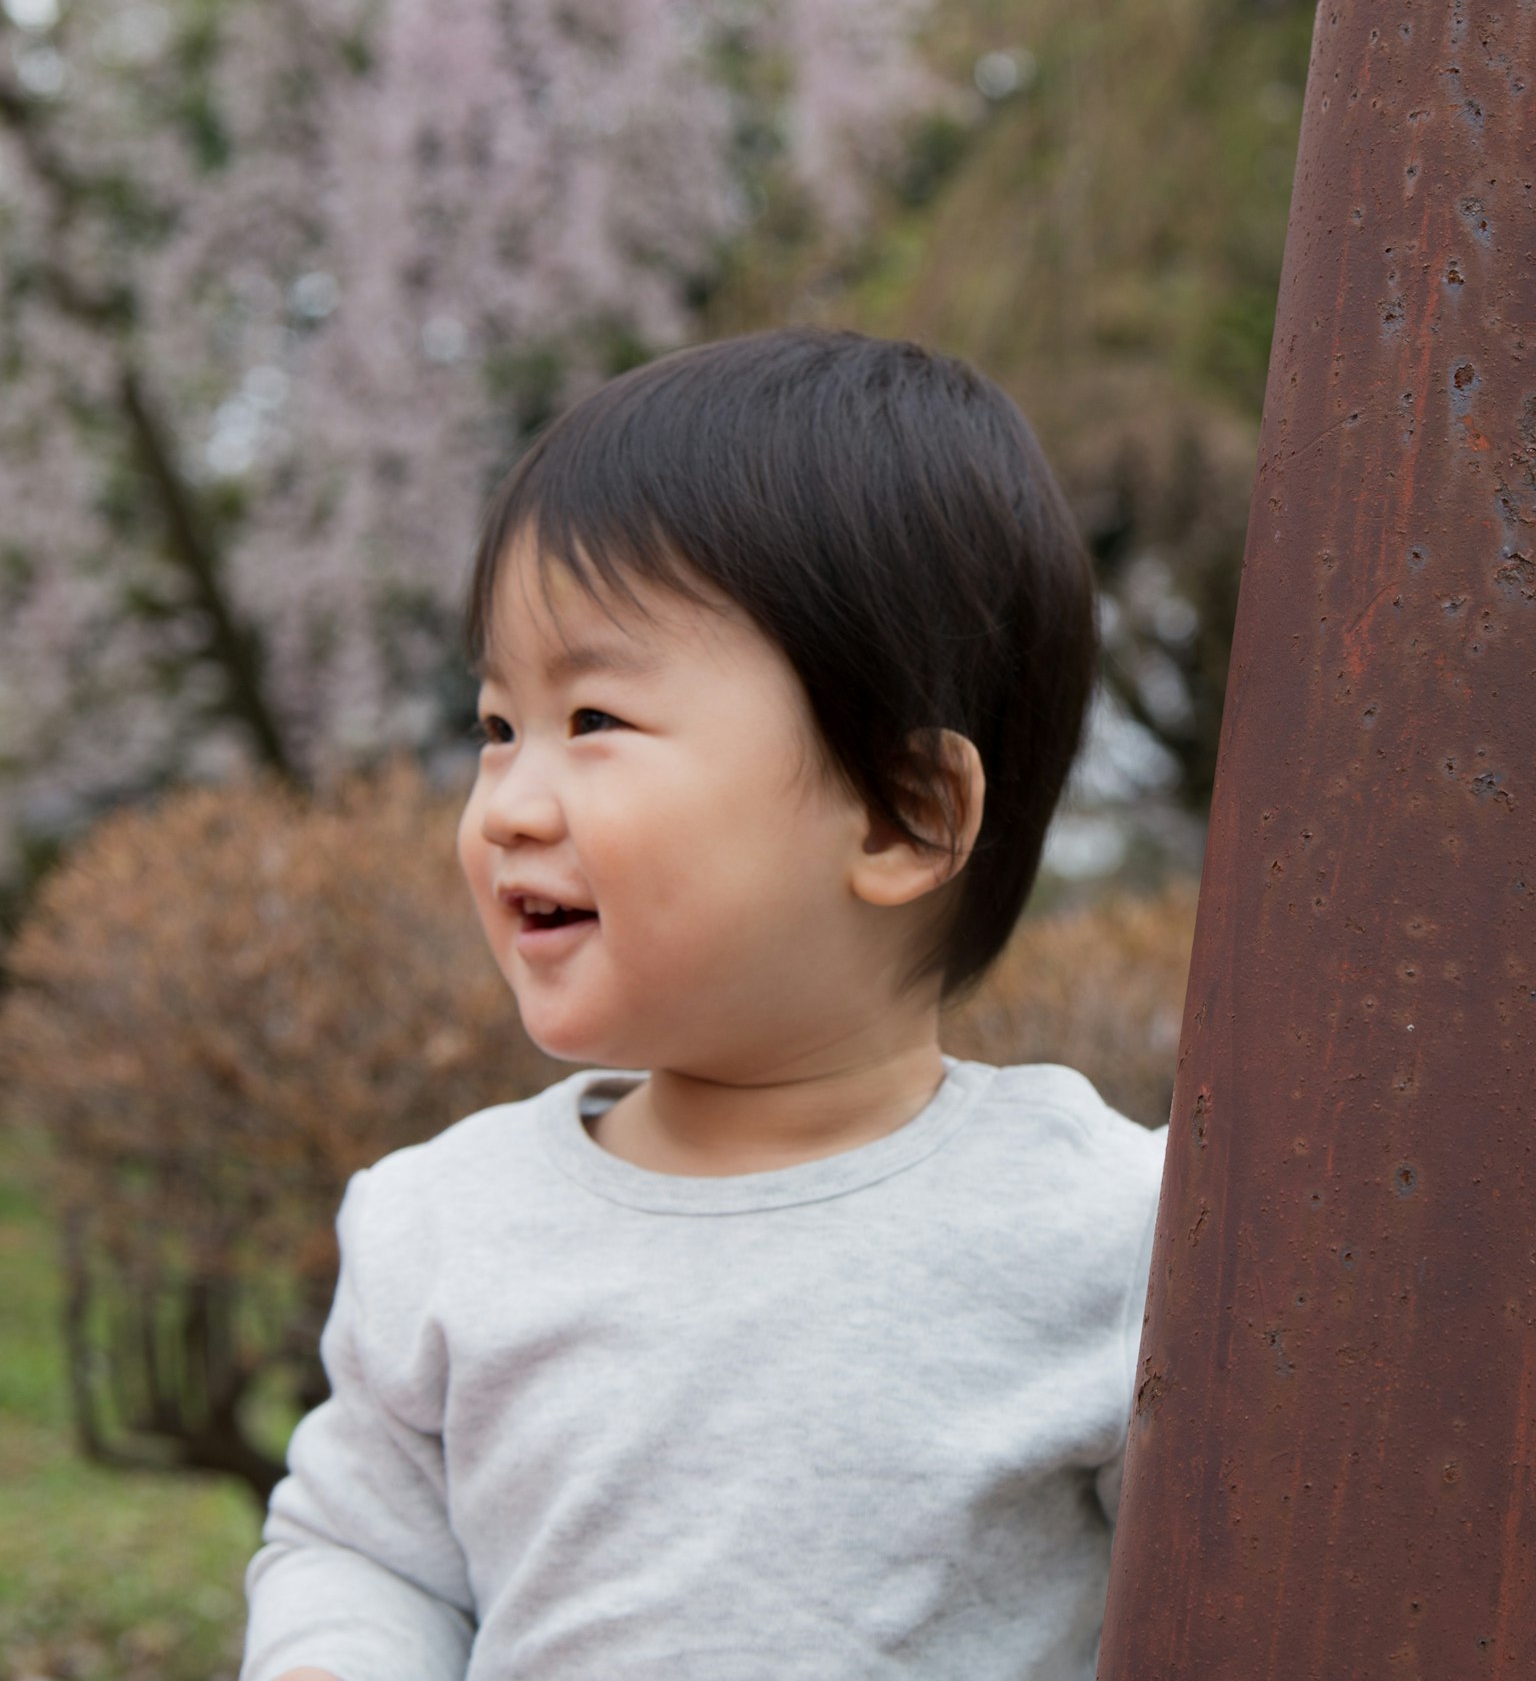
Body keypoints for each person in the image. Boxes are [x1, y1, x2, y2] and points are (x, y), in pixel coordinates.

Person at [241, 327, 1166, 1681]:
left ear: (904, 818)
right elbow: (362, 1549)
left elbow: (1247, 1594)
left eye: (595, 719)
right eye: (499, 727)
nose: (509, 804)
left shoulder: (1110, 1236)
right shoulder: (445, 1224)